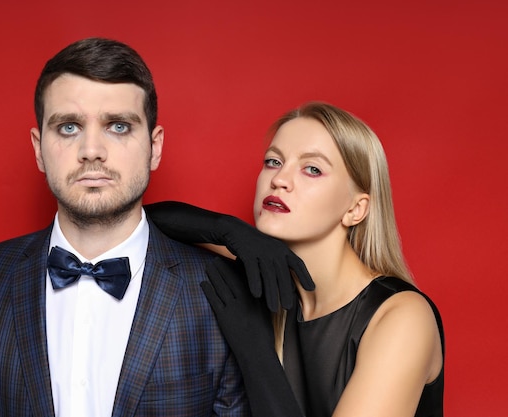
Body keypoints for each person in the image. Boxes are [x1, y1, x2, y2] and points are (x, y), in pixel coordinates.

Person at [0, 36, 301, 417]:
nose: (92, 149)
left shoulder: (218, 293)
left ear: (154, 148)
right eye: (69, 127)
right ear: (39, 149)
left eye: (118, 126)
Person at [146, 102, 444, 416]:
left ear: (355, 209)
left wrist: (255, 348)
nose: (279, 179)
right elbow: (142, 225)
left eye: (312, 169)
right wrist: (226, 229)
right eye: (273, 161)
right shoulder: (267, 277)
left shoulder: (402, 317)